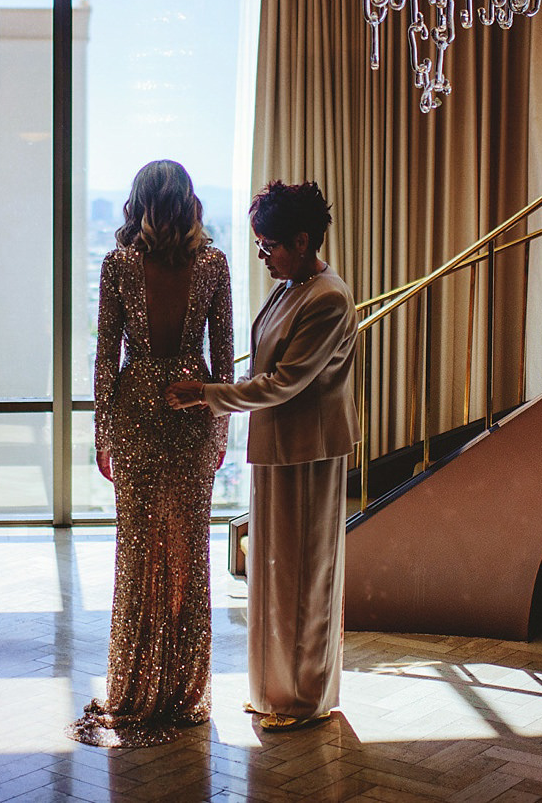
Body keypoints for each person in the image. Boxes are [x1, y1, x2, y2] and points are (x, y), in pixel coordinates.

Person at [167, 179, 359, 730]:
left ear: (301, 241)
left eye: (268, 245)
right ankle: (277, 690)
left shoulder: (328, 297)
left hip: (309, 453)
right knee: (275, 575)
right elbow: (266, 371)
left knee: (305, 576)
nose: (261, 255)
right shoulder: (292, 285)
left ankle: (303, 698)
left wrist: (206, 396)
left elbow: (283, 383)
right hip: (278, 448)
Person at [69, 159, 234, 748]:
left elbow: (104, 360)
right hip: (192, 413)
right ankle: (186, 692)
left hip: (136, 413)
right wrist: (218, 435)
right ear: (188, 201)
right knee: (188, 556)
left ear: (138, 203)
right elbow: (224, 359)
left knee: (137, 557)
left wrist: (102, 433)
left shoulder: (118, 264)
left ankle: (136, 688)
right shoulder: (214, 263)